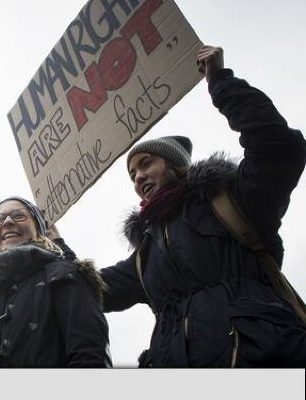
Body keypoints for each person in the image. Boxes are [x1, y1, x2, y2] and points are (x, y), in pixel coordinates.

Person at [100, 45, 306, 367]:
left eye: (146, 163)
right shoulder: (145, 256)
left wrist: (222, 83)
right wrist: (51, 248)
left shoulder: (231, 201)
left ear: (175, 165)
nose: (138, 176)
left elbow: (278, 148)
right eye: (132, 174)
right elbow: (83, 289)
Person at [0, 196, 111, 367]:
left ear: (38, 230)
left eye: (18, 215)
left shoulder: (64, 276)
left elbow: (90, 355)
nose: (7, 221)